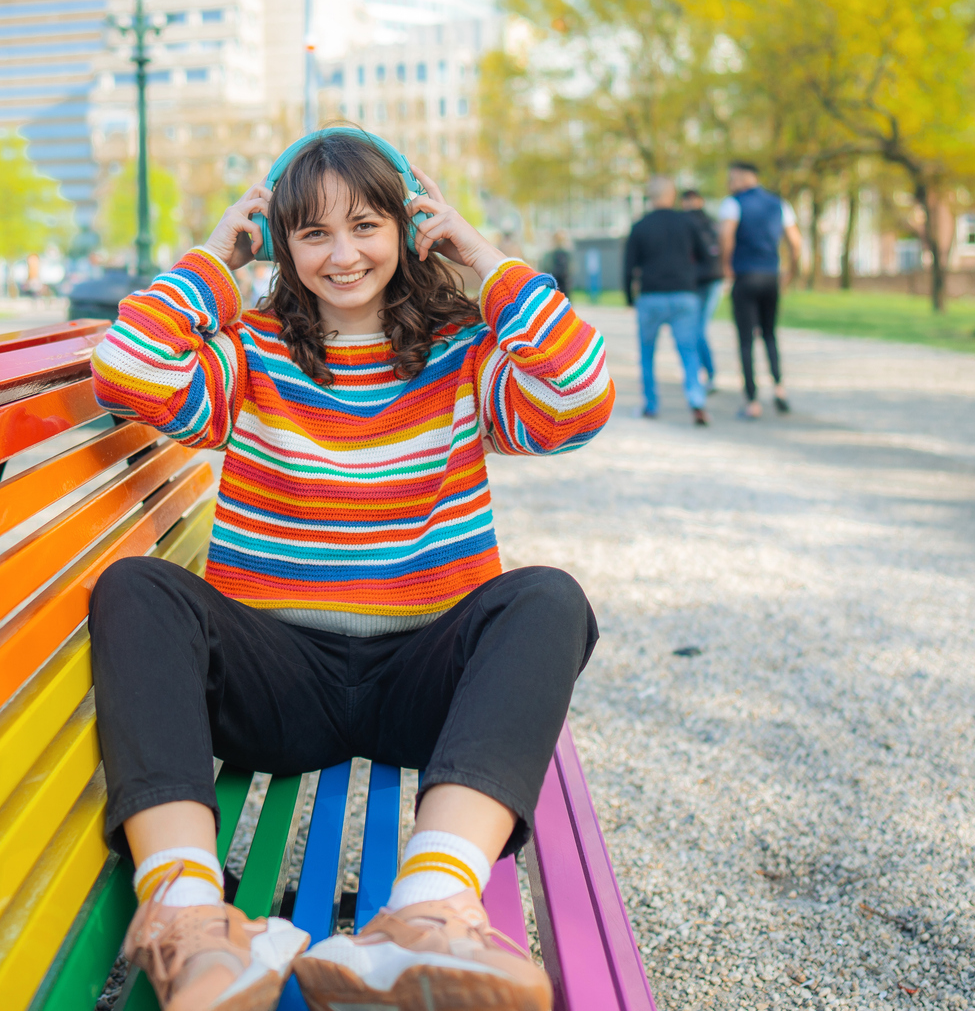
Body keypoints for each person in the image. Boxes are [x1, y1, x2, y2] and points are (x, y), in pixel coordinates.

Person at [88, 128, 612, 1011]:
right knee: (136, 588)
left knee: (546, 599)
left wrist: (484, 260)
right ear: (281, 245)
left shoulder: (463, 353)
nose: (342, 255)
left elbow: (580, 398)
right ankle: (189, 918)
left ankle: (426, 911)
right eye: (313, 233)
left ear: (408, 230)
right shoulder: (248, 354)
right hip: (279, 685)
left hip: (421, 684)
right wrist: (216, 261)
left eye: (366, 226)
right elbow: (124, 369)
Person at [717, 161, 806, 418]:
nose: (729, 183)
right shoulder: (779, 204)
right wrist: (790, 273)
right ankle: (779, 389)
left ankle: (752, 401)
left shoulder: (733, 204)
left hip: (745, 276)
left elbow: (725, 236)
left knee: (745, 340)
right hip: (770, 276)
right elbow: (796, 243)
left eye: (732, 178)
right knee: (769, 335)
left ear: (744, 178)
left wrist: (726, 267)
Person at [622, 177, 713, 426]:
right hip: (684, 295)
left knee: (647, 353)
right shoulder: (688, 223)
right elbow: (706, 259)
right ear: (672, 195)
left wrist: (630, 299)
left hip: (650, 296)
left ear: (649, 197)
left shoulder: (640, 226)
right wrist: (691, 279)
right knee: (689, 352)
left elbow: (628, 267)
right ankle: (697, 401)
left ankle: (650, 405)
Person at [681, 188, 724, 390]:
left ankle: (706, 374)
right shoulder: (711, 222)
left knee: (696, 329)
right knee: (697, 329)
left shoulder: (686, 222)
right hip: (712, 279)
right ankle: (703, 374)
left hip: (699, 282)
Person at [543, 230, 574, 296]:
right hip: (554, 282)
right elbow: (546, 268)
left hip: (564, 282)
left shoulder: (567, 253)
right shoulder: (550, 254)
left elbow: (571, 268)